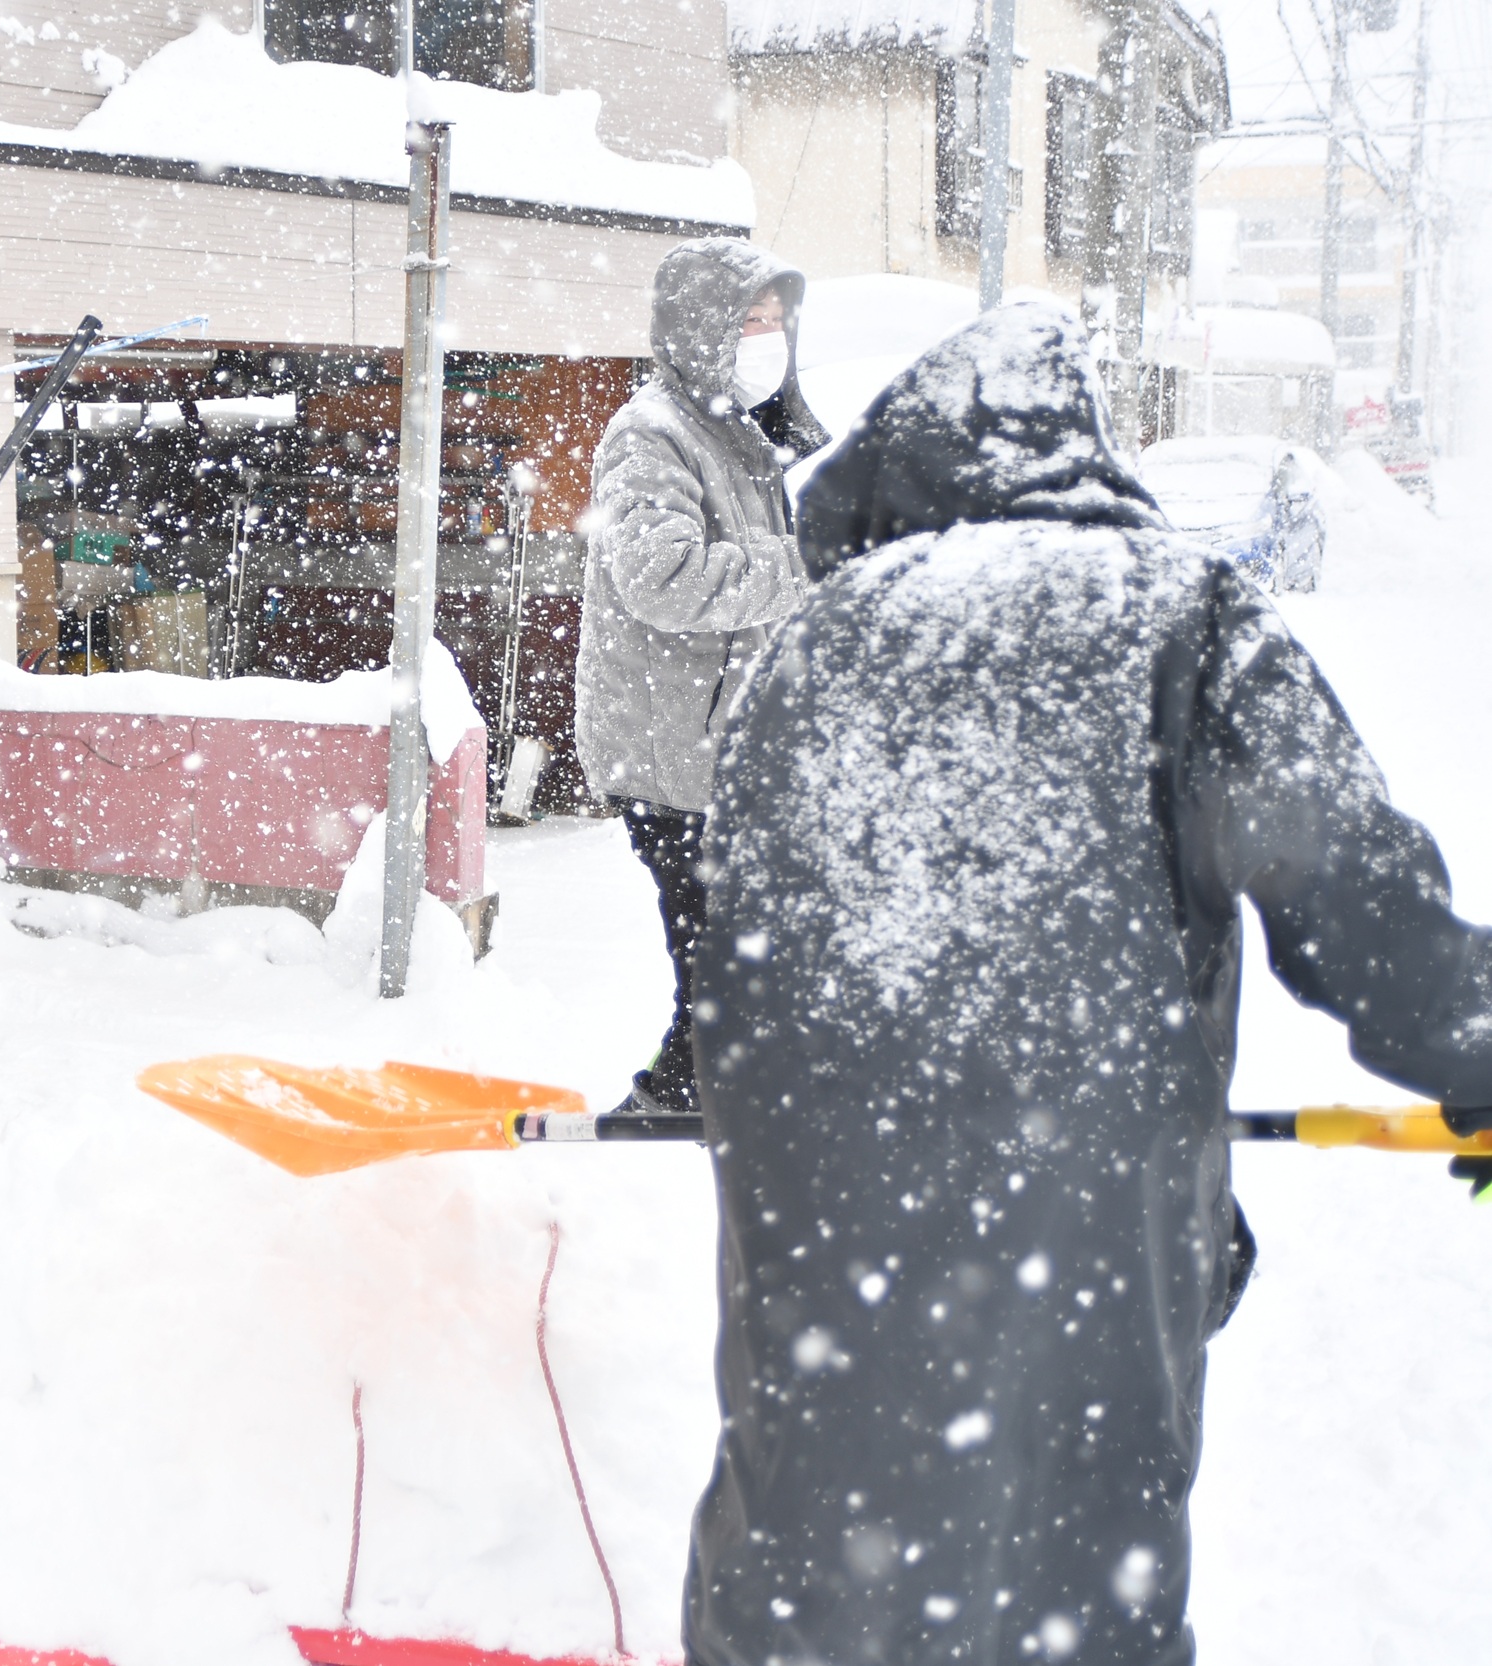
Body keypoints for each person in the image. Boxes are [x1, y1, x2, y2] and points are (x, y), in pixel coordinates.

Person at [681, 305, 1492, 1666]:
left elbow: (743, 991)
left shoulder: (805, 648)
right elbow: (1352, 897)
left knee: (819, 1580)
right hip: (1081, 1290)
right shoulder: (1180, 616)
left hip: (823, 1299)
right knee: (1067, 1585)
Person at [575, 237, 830, 1116]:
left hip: (725, 747)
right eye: (750, 319)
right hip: (674, 753)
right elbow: (666, 580)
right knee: (722, 948)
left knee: (741, 946)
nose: (769, 337)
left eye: (777, 319)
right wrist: (808, 562)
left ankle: (715, 1085)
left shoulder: (736, 432)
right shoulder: (653, 434)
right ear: (700, 327)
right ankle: (685, 1091)